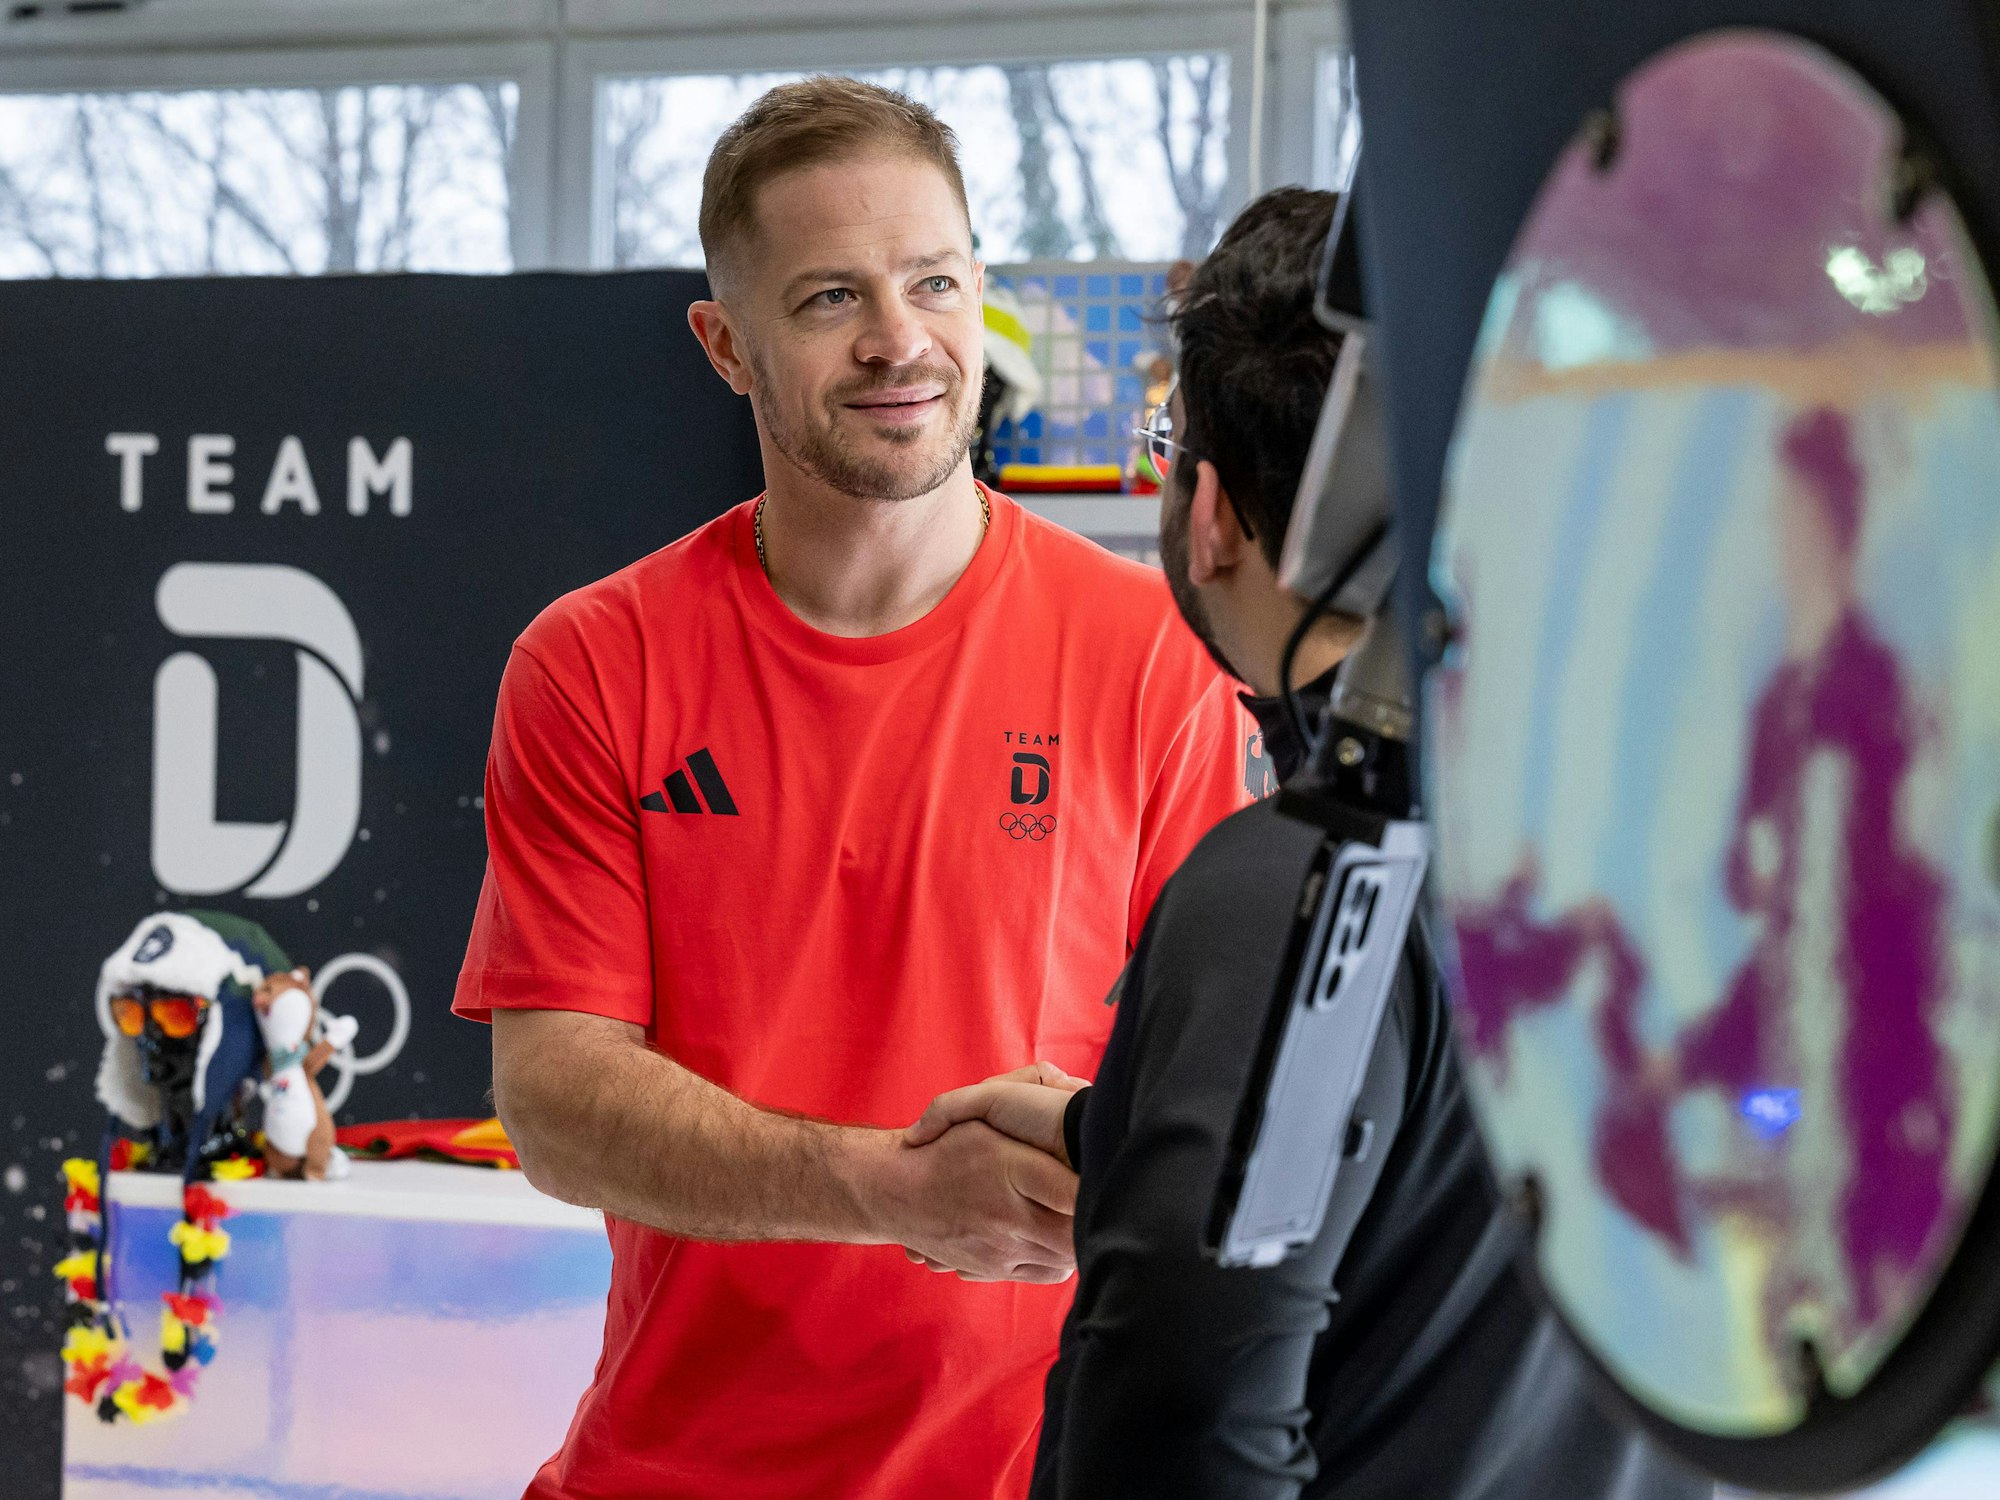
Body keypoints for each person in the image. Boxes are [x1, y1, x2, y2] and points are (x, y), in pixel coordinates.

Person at [451, 78, 1250, 1500]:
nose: (901, 342)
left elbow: (1220, 1094)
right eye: (829, 299)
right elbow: (555, 1101)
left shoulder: (1150, 655)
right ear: (726, 346)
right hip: (674, 1472)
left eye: (934, 281)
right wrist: (891, 1188)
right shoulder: (595, 664)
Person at [907, 187, 1705, 1500]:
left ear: (1208, 510)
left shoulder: (1296, 882)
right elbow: (1463, 1193)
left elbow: (1185, 1421)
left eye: (1169, 445)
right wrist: (1145, 1139)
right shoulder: (1620, 838)